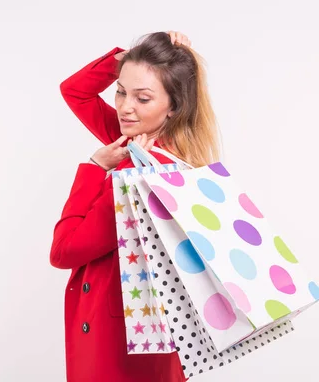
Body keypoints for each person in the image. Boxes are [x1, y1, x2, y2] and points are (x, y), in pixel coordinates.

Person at [50, 31, 221, 382]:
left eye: (142, 98)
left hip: (117, 344)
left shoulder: (136, 174)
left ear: (173, 105)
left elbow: (64, 252)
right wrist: (129, 60)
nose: (125, 107)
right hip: (149, 334)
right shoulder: (165, 150)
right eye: (120, 91)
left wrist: (94, 168)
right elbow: (75, 91)